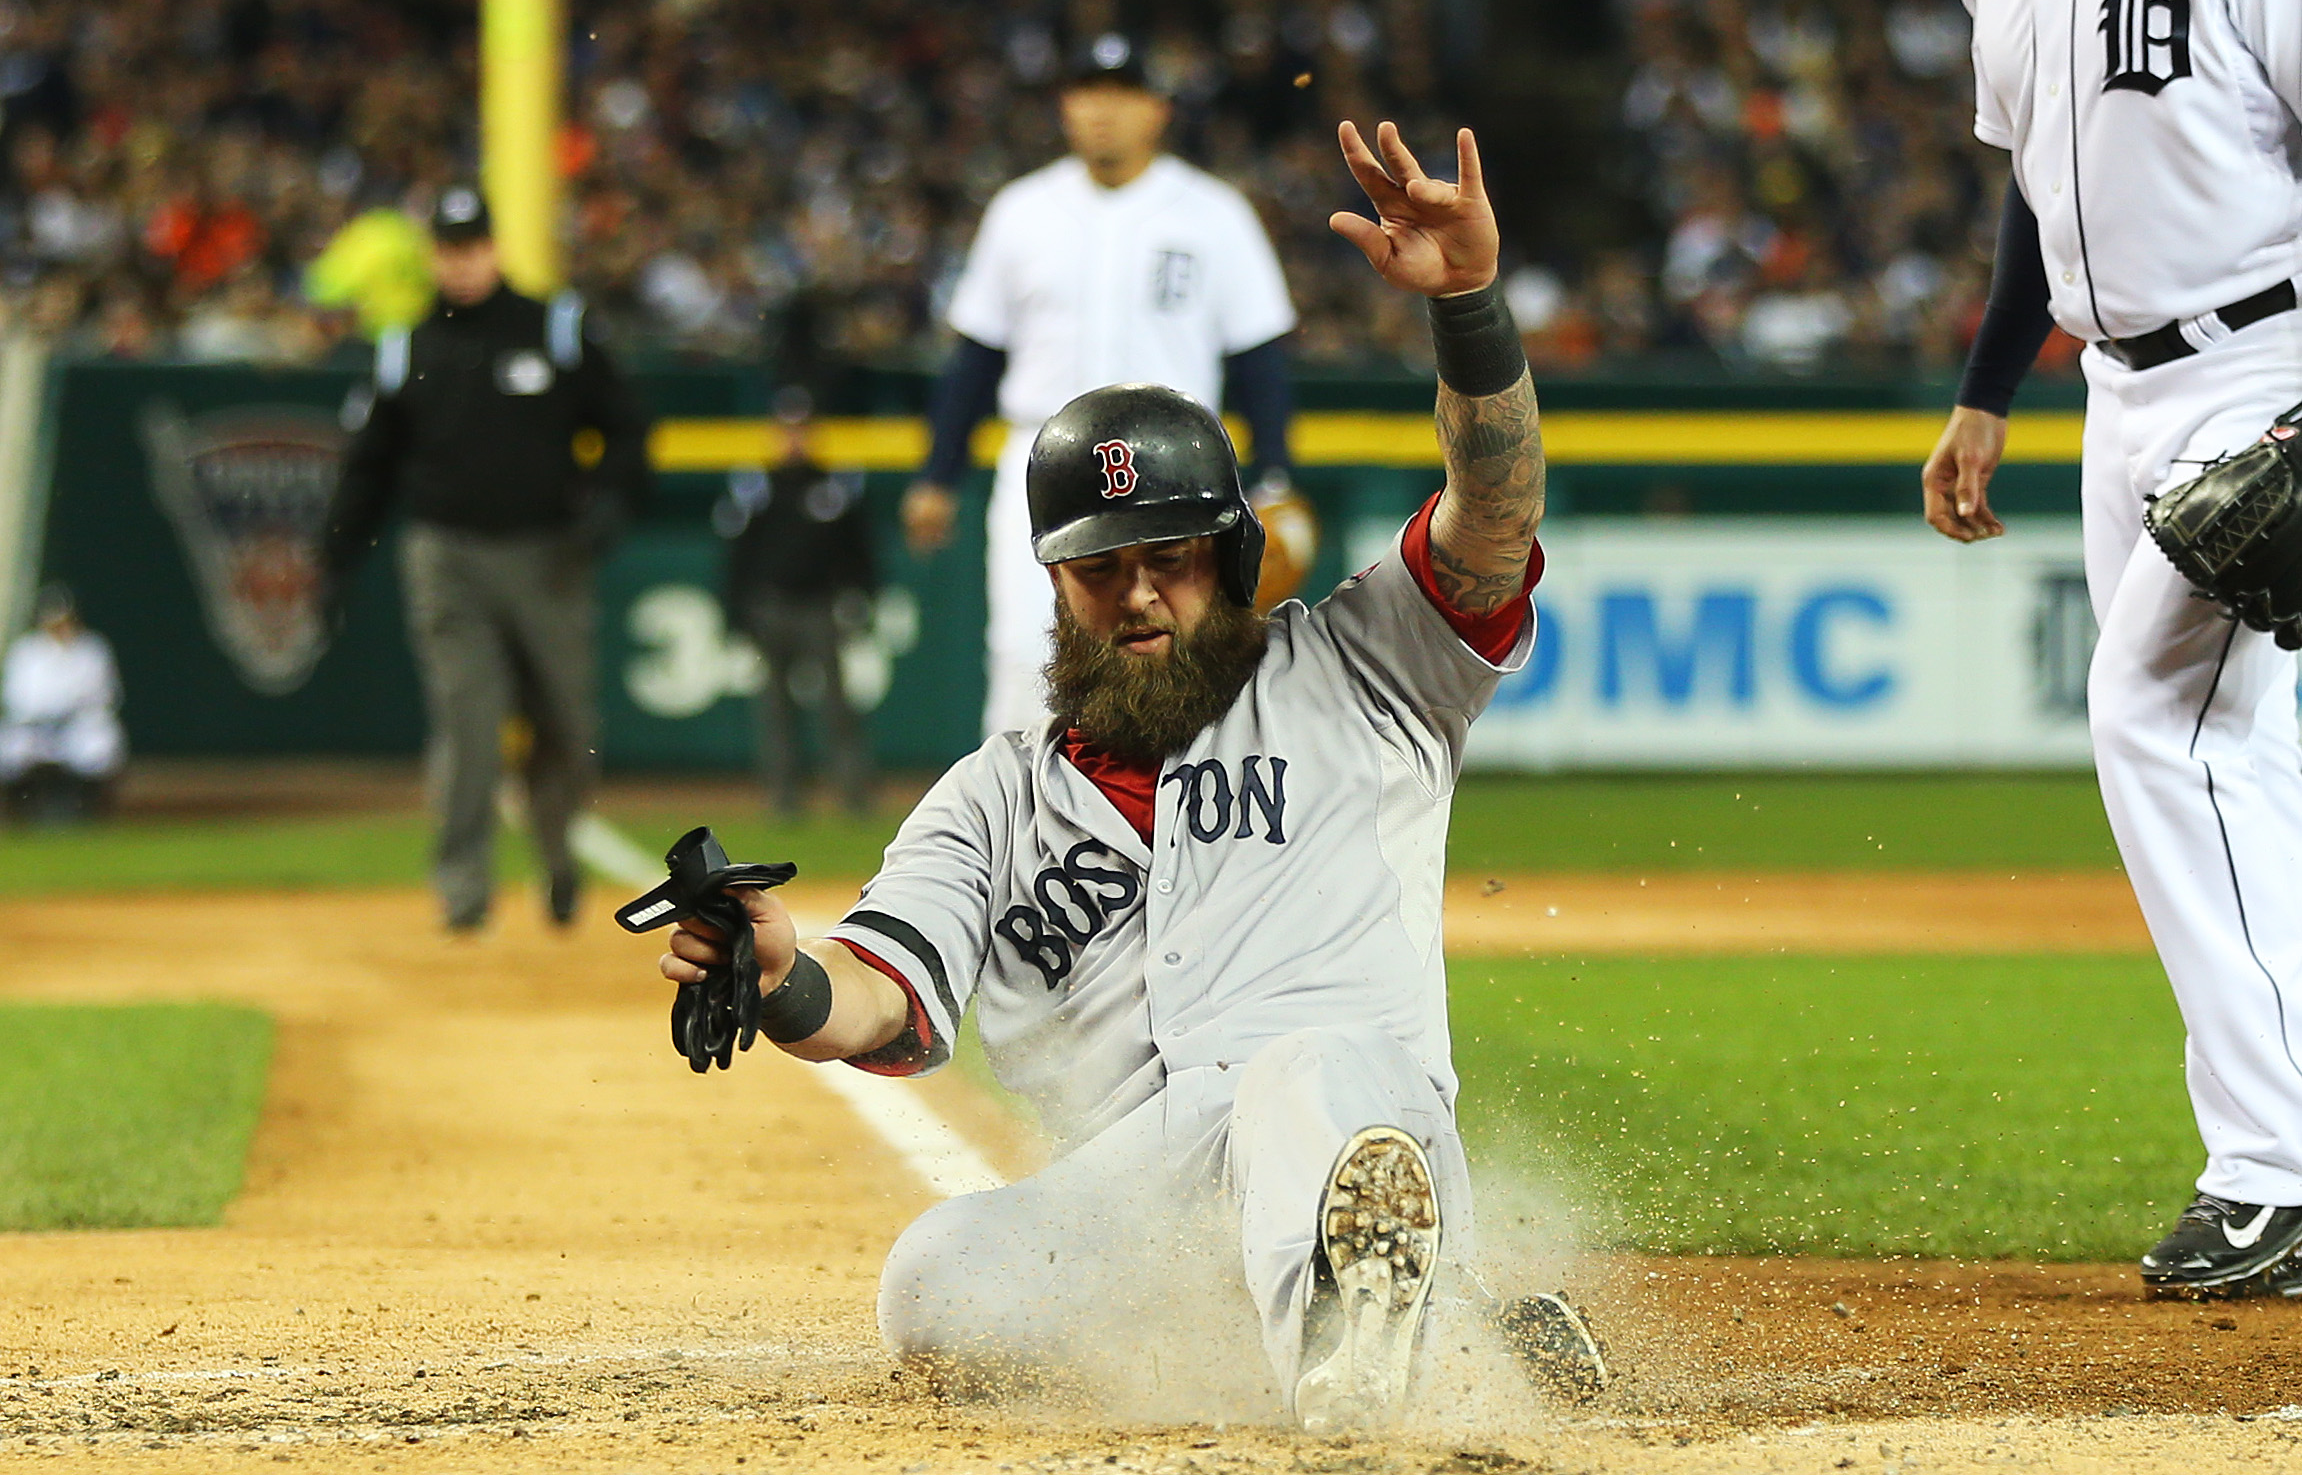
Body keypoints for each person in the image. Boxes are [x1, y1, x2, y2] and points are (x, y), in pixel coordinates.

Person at [651, 122, 1603, 1426]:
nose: (1137, 592)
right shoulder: (992, 793)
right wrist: (778, 972)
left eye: (1169, 554)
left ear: (1228, 549)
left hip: (1344, 1117)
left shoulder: (1368, 666)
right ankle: (1444, 1322)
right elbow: (880, 991)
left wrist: (1469, 314)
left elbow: (1493, 514)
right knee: (936, 1276)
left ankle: (1374, 1347)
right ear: (1051, 578)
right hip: (1152, 1192)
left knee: (1297, 1068)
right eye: (1099, 565)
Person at [1929, 0, 2302, 1298]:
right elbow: (2039, 177)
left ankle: (2275, 1168)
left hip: (2262, 356)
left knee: (2156, 723)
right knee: (2236, 758)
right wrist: (1987, 387)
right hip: (2112, 390)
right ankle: (2269, 1144)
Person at [901, 31, 1299, 739]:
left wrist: (1272, 472)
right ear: (1064, 107)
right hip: (1044, 462)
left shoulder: (1215, 214)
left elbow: (1261, 355)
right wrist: (938, 472)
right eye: (1088, 93)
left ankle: (1194, 832)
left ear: (1158, 109)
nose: (1102, 111)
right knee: (1025, 654)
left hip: (1175, 463)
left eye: (1121, 93)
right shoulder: (1021, 210)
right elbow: (975, 356)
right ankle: (1027, 836)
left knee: (1189, 653)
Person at [323, 187, 652, 932]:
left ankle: (558, 857)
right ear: (433, 255)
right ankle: (464, 889)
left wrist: (607, 504)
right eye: (449, 247)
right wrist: (336, 558)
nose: (462, 261)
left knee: (565, 721)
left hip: (547, 555)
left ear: (494, 248)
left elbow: (628, 427)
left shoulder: (557, 328)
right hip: (447, 555)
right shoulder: (406, 346)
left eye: (473, 245)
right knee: (467, 721)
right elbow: (369, 464)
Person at [718, 393, 878, 817]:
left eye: (800, 429)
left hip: (820, 605)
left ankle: (852, 794)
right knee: (775, 710)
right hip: (771, 605)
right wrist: (735, 610)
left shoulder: (833, 485)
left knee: (836, 708)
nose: (794, 438)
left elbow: (860, 549)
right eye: (786, 429)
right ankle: (783, 798)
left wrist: (862, 595)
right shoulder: (757, 486)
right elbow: (737, 553)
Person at [0, 582, 124, 823]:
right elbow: (15, 699)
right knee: (10, 748)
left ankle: (87, 811)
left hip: (78, 727)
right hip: (35, 727)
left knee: (103, 744)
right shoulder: (25, 650)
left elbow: (106, 696)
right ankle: (20, 813)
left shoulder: (92, 648)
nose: (59, 626)